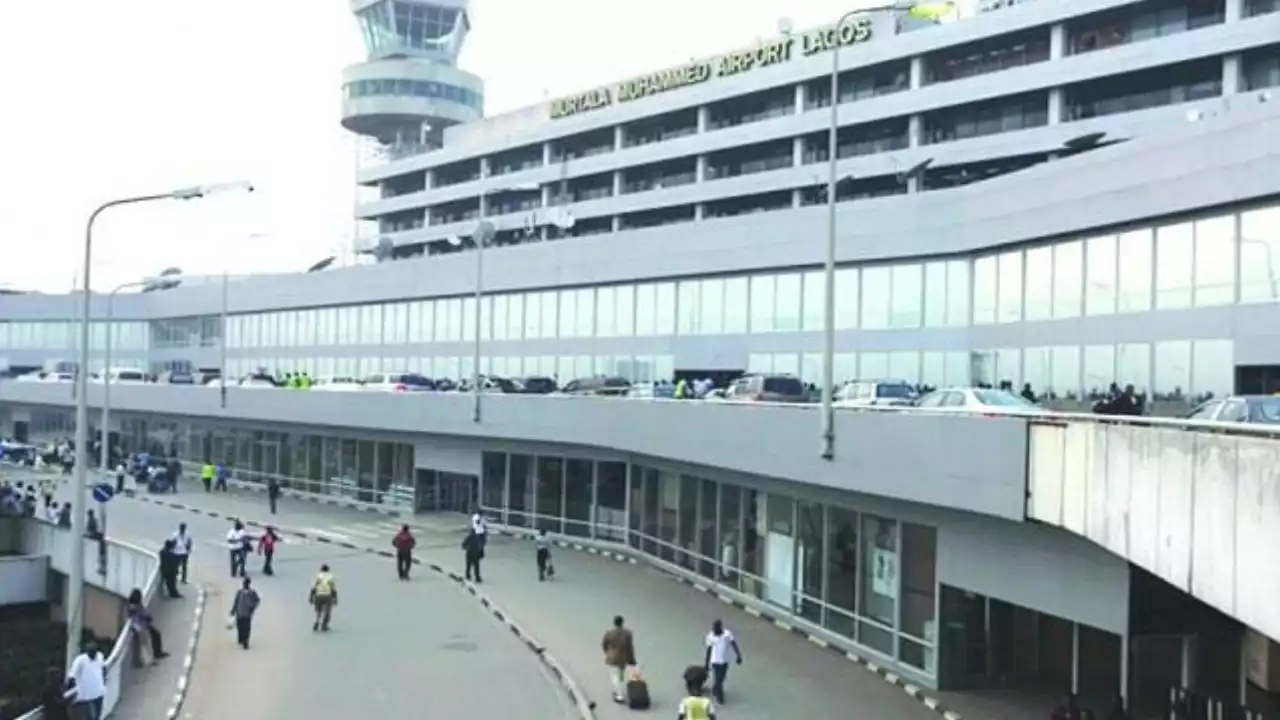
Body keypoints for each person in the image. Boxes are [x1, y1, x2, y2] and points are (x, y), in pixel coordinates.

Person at [703, 619, 743, 704]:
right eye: (714, 629)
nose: (715, 631)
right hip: (715, 661)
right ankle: (720, 697)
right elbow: (709, 650)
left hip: (725, 660)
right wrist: (706, 664)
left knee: (722, 678)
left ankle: (715, 688)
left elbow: (733, 644)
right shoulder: (710, 637)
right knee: (718, 679)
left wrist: (738, 655)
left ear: (720, 628)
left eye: (716, 629)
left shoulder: (727, 634)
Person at [601, 615, 637, 705]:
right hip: (623, 658)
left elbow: (604, 644)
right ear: (622, 623)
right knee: (620, 675)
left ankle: (619, 695)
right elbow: (630, 647)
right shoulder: (628, 634)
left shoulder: (609, 633)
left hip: (612, 658)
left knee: (614, 676)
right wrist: (632, 659)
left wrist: (607, 652)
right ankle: (618, 690)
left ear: (614, 623)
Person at [127, 588, 169, 664]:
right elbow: (137, 617)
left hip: (144, 624)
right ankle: (149, 660)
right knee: (145, 645)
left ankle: (157, 653)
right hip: (141, 627)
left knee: (156, 634)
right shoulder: (133, 606)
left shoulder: (137, 604)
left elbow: (143, 613)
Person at [66, 640, 106, 720]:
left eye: (94, 652)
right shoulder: (80, 660)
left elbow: (103, 668)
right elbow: (72, 677)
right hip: (85, 696)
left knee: (97, 716)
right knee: (89, 717)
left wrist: (103, 680)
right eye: (91, 652)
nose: (93, 654)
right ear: (87, 652)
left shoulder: (100, 656)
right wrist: (69, 692)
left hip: (98, 692)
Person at [230, 577, 261, 649]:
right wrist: (233, 610)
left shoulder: (252, 593)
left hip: (247, 614)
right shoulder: (239, 592)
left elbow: (257, 601)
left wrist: (252, 607)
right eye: (244, 583)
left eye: (246, 583)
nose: (245, 585)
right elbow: (236, 602)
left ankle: (245, 642)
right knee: (240, 627)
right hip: (239, 613)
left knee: (246, 628)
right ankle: (241, 638)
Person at [309, 564, 337, 631]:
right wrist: (335, 598)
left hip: (318, 596)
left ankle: (317, 621)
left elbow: (314, 588)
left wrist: (311, 597)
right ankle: (324, 625)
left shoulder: (318, 577)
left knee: (319, 611)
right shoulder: (330, 577)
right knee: (327, 611)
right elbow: (332, 589)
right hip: (327, 596)